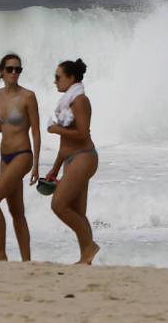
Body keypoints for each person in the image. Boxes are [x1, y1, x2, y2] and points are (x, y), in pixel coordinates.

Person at [0, 53, 41, 261]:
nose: (14, 73)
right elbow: (5, 126)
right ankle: (26, 261)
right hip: (4, 158)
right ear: (2, 72)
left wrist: (36, 165)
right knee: (16, 211)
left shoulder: (28, 97)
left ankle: (0, 253)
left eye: (18, 69)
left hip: (23, 155)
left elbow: (36, 132)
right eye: (10, 69)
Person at [45, 58, 100, 264]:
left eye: (58, 77)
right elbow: (65, 140)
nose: (55, 81)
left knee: (59, 205)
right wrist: (55, 168)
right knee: (77, 212)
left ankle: (90, 247)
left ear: (71, 78)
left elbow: (82, 133)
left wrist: (55, 129)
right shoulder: (67, 102)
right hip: (70, 158)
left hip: (84, 157)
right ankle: (86, 257)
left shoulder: (80, 101)